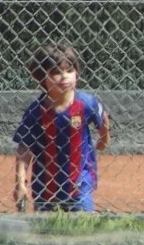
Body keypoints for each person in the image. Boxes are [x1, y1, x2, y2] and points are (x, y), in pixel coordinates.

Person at [13, 44, 110, 212]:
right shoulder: (36, 111)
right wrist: (20, 183)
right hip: (45, 187)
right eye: (56, 72)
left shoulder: (86, 103)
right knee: (46, 232)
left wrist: (104, 139)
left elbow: (103, 118)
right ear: (41, 77)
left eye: (69, 70)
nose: (64, 77)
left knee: (83, 228)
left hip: (80, 185)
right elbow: (24, 149)